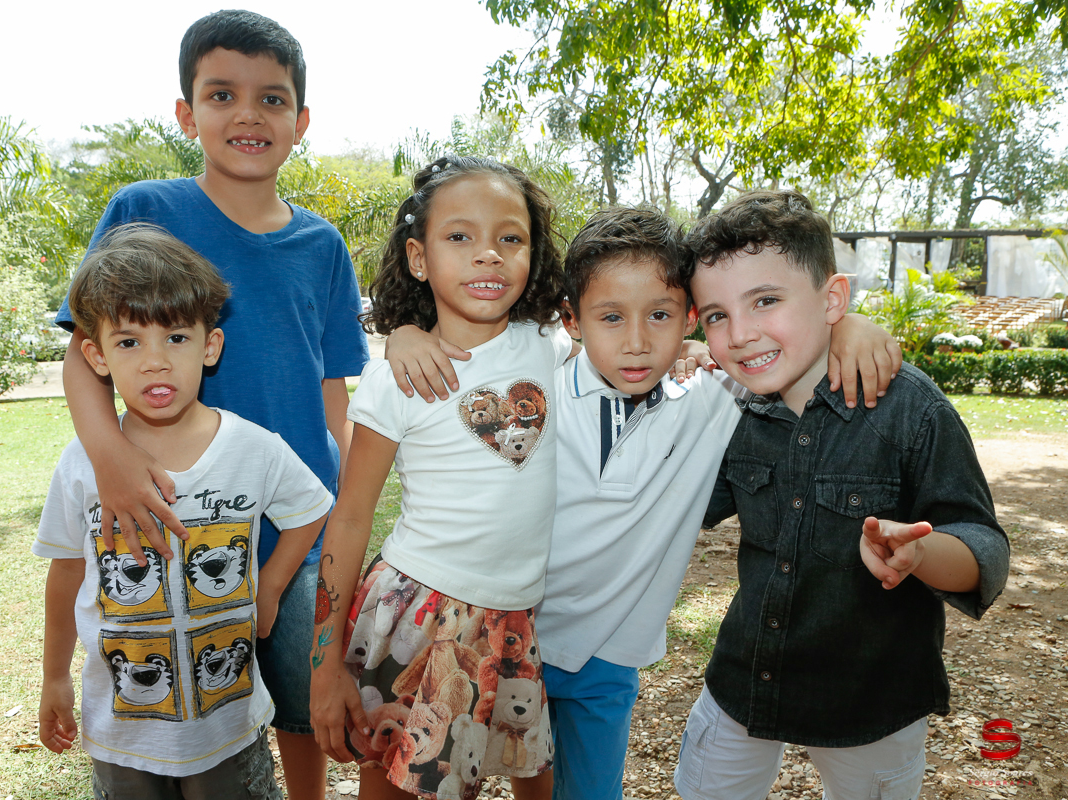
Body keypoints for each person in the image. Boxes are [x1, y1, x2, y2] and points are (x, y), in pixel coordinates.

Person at [384, 205, 901, 800]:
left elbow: (792, 343)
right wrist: (406, 333)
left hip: (607, 658)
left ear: (688, 316)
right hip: (499, 634)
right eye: (610, 317)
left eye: (660, 315)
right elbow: (461, 342)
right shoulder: (536, 383)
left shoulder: (713, 395)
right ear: (571, 321)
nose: (636, 342)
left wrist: (850, 327)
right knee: (459, 784)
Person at [53, 11, 369, 796]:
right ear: (186, 113)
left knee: (299, 706)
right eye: (222, 94)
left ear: (301, 121)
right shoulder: (144, 208)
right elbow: (81, 355)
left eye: (272, 98)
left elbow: (334, 394)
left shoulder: (323, 245)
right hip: (168, 511)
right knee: (184, 695)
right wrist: (114, 464)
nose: (247, 114)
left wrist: (347, 522)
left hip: (296, 522)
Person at [674, 190, 1009, 800]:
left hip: (869, 697)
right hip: (748, 672)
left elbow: (982, 542)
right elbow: (681, 506)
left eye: (766, 300)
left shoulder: (910, 410)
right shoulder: (728, 409)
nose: (741, 333)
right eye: (717, 315)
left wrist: (918, 555)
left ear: (832, 299)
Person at [308, 155, 575, 800]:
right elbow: (350, 516)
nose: (488, 254)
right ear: (418, 258)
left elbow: (638, 338)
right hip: (420, 613)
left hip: (515, 619)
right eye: (460, 237)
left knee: (534, 783)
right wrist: (322, 667)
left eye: (509, 238)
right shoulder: (394, 378)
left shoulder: (551, 344)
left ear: (533, 257)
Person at [35, 224, 333, 799]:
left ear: (210, 346)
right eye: (128, 343)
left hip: (228, 730)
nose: (154, 363)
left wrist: (269, 587)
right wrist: (53, 677)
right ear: (94, 356)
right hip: (121, 736)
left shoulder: (255, 448)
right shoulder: (82, 466)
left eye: (175, 338)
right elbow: (66, 572)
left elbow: (311, 509)